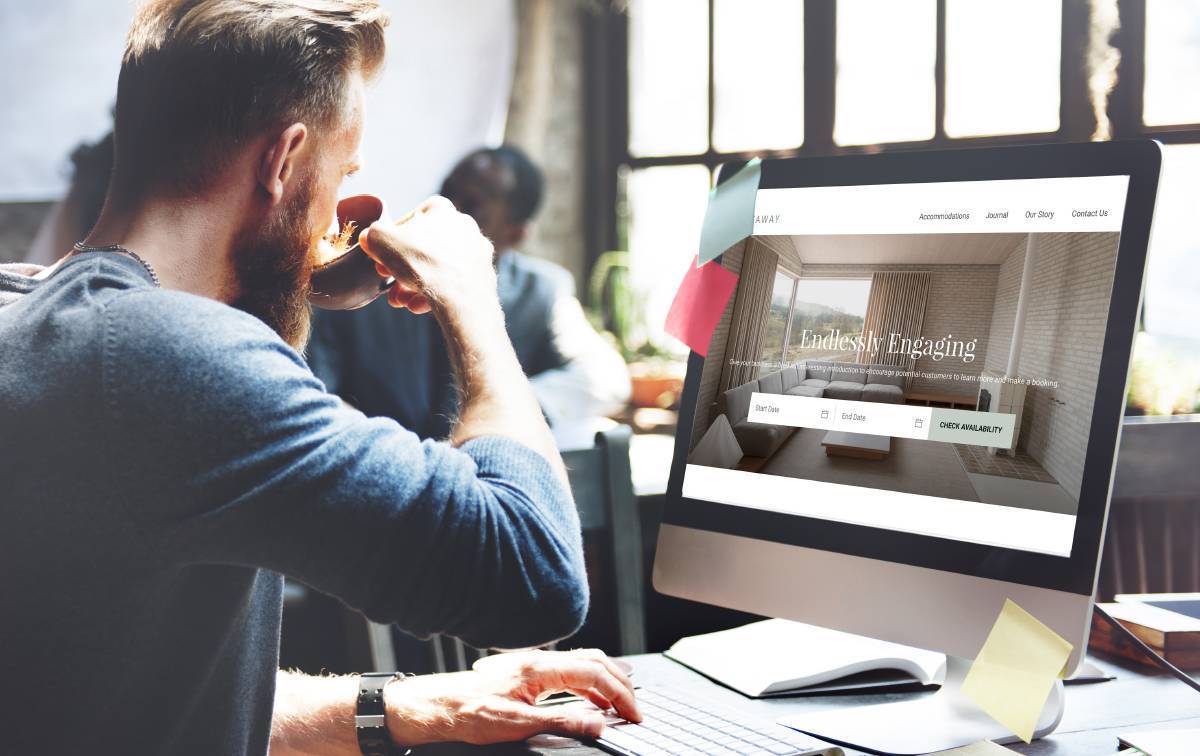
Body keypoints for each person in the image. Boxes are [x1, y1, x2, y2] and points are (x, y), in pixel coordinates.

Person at [0, 2, 639, 755]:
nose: (340, 205)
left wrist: (410, 704)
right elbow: (535, 572)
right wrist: (469, 295)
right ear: (284, 161)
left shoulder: (34, 314)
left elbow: (137, 703)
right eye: (344, 171)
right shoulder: (168, 354)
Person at [309, 146, 631, 440]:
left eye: (473, 205)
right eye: (447, 192)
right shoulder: (365, 281)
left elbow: (605, 377)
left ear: (515, 233)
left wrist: (504, 414)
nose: (447, 209)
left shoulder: (542, 291)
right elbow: (315, 394)